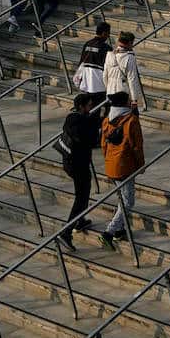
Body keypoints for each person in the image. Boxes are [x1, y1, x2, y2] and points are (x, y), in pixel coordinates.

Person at [100, 90, 144, 247]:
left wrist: (108, 159)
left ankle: (120, 229)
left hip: (111, 165)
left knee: (122, 198)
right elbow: (137, 146)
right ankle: (109, 232)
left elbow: (104, 144)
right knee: (128, 202)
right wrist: (140, 165)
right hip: (124, 166)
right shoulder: (131, 120)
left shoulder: (107, 120)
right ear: (125, 103)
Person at [60, 92, 101, 249]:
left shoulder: (71, 118)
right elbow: (90, 141)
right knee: (81, 197)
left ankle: (80, 219)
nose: (91, 108)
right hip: (79, 165)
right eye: (89, 105)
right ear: (82, 106)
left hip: (70, 162)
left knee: (83, 193)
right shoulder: (83, 122)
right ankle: (66, 232)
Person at [73, 22, 112, 106]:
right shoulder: (106, 48)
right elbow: (110, 69)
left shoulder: (87, 44)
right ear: (104, 33)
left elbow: (81, 63)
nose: (108, 36)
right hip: (99, 87)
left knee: (89, 109)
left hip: (86, 84)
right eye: (108, 33)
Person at [107, 31, 144, 111]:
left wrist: (108, 88)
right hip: (122, 91)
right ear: (130, 42)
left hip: (110, 89)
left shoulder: (110, 54)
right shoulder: (129, 57)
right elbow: (132, 79)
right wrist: (134, 99)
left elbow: (105, 75)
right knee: (125, 116)